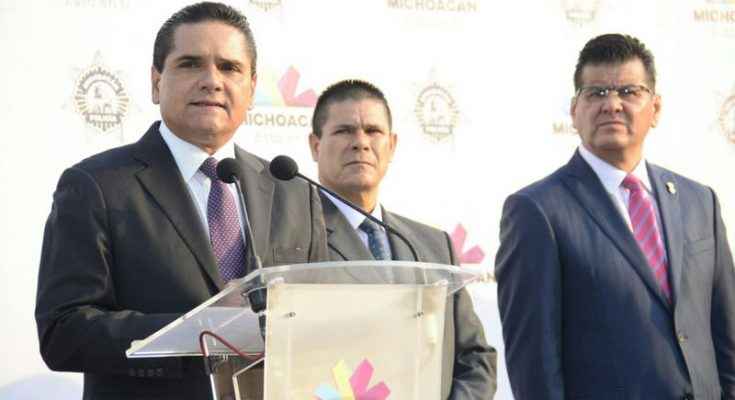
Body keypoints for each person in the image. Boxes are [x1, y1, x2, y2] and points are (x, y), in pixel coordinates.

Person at [35, 2, 327, 399]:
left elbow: (316, 322)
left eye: (229, 67)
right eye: (190, 64)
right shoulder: (97, 185)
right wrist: (200, 332)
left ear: (252, 88)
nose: (212, 81)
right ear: (156, 83)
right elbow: (63, 332)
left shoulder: (293, 190)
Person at [495, 33, 735, 400]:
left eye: (628, 92)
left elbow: (727, 337)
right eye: (596, 93)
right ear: (574, 111)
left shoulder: (699, 202)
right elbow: (535, 368)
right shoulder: (537, 212)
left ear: (655, 108)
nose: (612, 105)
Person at [308, 79, 497, 399]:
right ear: (315, 145)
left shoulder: (434, 245)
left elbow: (475, 357)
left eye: (373, 131)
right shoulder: (296, 239)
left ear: (392, 145)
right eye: (344, 131)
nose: (360, 143)